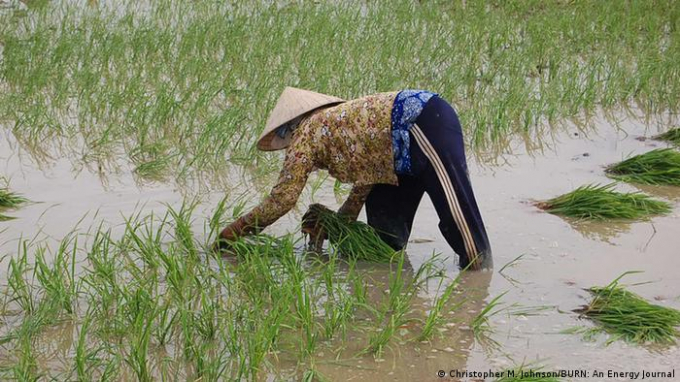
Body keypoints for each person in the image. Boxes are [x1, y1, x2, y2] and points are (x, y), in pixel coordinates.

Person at [217, 87, 492, 270]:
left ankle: (479, 285)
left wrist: (232, 233)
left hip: (420, 123)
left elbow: (283, 198)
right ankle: (394, 296)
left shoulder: (306, 132)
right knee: (385, 243)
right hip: (392, 158)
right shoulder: (340, 124)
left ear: (290, 126)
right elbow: (362, 187)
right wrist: (335, 226)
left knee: (461, 221)